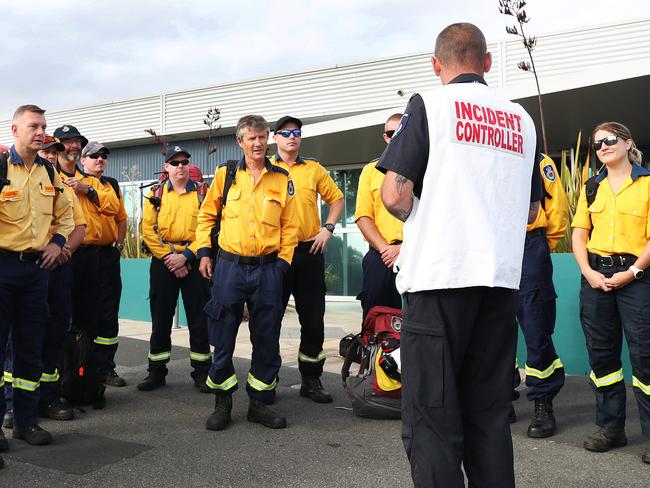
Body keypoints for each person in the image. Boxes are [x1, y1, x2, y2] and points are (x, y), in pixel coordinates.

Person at [378, 23, 539, 487]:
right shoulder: (521, 119)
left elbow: (392, 194)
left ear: (436, 65)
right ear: (487, 62)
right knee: (488, 416)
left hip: (439, 279)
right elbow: (530, 208)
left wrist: (420, 216)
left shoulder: (429, 104)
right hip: (498, 284)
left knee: (432, 418)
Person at [196, 114, 298, 431]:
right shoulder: (226, 175)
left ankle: (259, 403)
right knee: (223, 337)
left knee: (266, 339)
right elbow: (206, 217)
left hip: (268, 270)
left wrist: (282, 264)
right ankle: (222, 403)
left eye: (262, 137)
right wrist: (203, 252)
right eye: (251, 138)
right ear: (240, 141)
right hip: (229, 267)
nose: (258, 143)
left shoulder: (281, 178)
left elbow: (291, 227)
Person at [572, 121, 650, 464]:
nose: (603, 146)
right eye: (597, 143)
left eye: (610, 139)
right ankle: (610, 427)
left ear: (627, 142)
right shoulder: (591, 187)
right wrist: (588, 272)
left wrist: (632, 272)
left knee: (645, 355)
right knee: (602, 357)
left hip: (637, 275)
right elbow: (579, 233)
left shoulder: (647, 184)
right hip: (596, 277)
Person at [0, 105, 74, 448]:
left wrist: (58, 243)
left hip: (36, 271)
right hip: (2, 267)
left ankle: (26, 422)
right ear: (15, 130)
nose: (40, 130)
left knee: (31, 348)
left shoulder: (49, 172)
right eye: (34, 125)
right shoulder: (1, 167)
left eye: (43, 125)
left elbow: (66, 217)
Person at [269, 115, 344, 403]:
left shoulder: (313, 169)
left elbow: (337, 199)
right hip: (276, 255)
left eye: (296, 132)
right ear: (276, 138)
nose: (292, 137)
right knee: (270, 318)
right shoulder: (265, 168)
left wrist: (328, 229)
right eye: (286, 133)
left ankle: (311, 380)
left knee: (313, 320)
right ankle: (267, 378)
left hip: (309, 252)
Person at [53, 125, 120, 405]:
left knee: (90, 321)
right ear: (57, 147)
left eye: (76, 142)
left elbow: (114, 208)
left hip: (89, 258)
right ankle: (58, 383)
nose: (72, 147)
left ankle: (85, 382)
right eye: (66, 143)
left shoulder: (90, 179)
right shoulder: (48, 175)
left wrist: (86, 190)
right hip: (58, 256)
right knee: (58, 320)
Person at [137, 145, 212, 392]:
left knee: (199, 319)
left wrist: (187, 256)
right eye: (175, 162)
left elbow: (207, 229)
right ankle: (156, 372)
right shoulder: (156, 194)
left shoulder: (202, 193)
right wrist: (170, 257)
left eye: (184, 162)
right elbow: (148, 230)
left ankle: (202, 373)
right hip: (164, 263)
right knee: (161, 319)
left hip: (194, 260)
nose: (181, 166)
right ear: (166, 167)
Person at [511, 153, 569, 437]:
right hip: (489, 248)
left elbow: (557, 209)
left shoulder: (538, 159)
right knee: (490, 329)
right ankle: (499, 399)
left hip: (528, 246)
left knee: (536, 328)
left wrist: (540, 246)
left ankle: (543, 402)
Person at [79, 142, 127, 387]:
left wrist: (118, 246)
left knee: (109, 312)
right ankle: (82, 370)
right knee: (83, 313)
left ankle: (107, 368)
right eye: (94, 156)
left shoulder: (112, 184)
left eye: (103, 156)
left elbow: (121, 218)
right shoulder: (72, 180)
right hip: (83, 255)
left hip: (107, 255)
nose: (100, 160)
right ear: (82, 160)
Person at [355, 114, 404, 319]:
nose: (396, 137)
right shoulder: (370, 171)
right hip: (380, 255)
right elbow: (363, 216)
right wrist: (386, 250)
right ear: (385, 137)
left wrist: (403, 249)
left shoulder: (426, 169)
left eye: (401, 132)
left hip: (416, 252)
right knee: (375, 316)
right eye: (391, 133)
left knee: (418, 317)